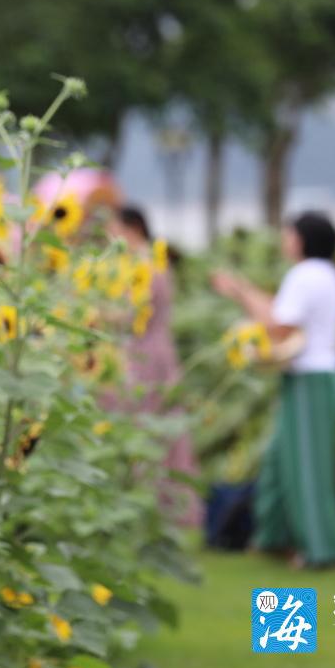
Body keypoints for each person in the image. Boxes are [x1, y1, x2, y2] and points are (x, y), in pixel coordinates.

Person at [211, 211, 335, 568]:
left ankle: (321, 550)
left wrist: (238, 292)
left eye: (289, 234)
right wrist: (243, 289)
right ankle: (273, 537)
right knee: (278, 458)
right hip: (315, 377)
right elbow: (280, 312)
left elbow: (277, 326)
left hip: (309, 379)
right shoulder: (325, 273)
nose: (285, 240)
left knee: (306, 466)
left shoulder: (305, 275)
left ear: (302, 239)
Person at [105, 205, 201, 525]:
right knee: (156, 427)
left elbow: (130, 315)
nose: (109, 235)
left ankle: (153, 506)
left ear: (131, 228)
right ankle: (160, 506)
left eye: (113, 228)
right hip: (155, 351)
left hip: (145, 356)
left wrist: (88, 314)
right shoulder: (151, 261)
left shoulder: (145, 264)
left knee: (144, 427)